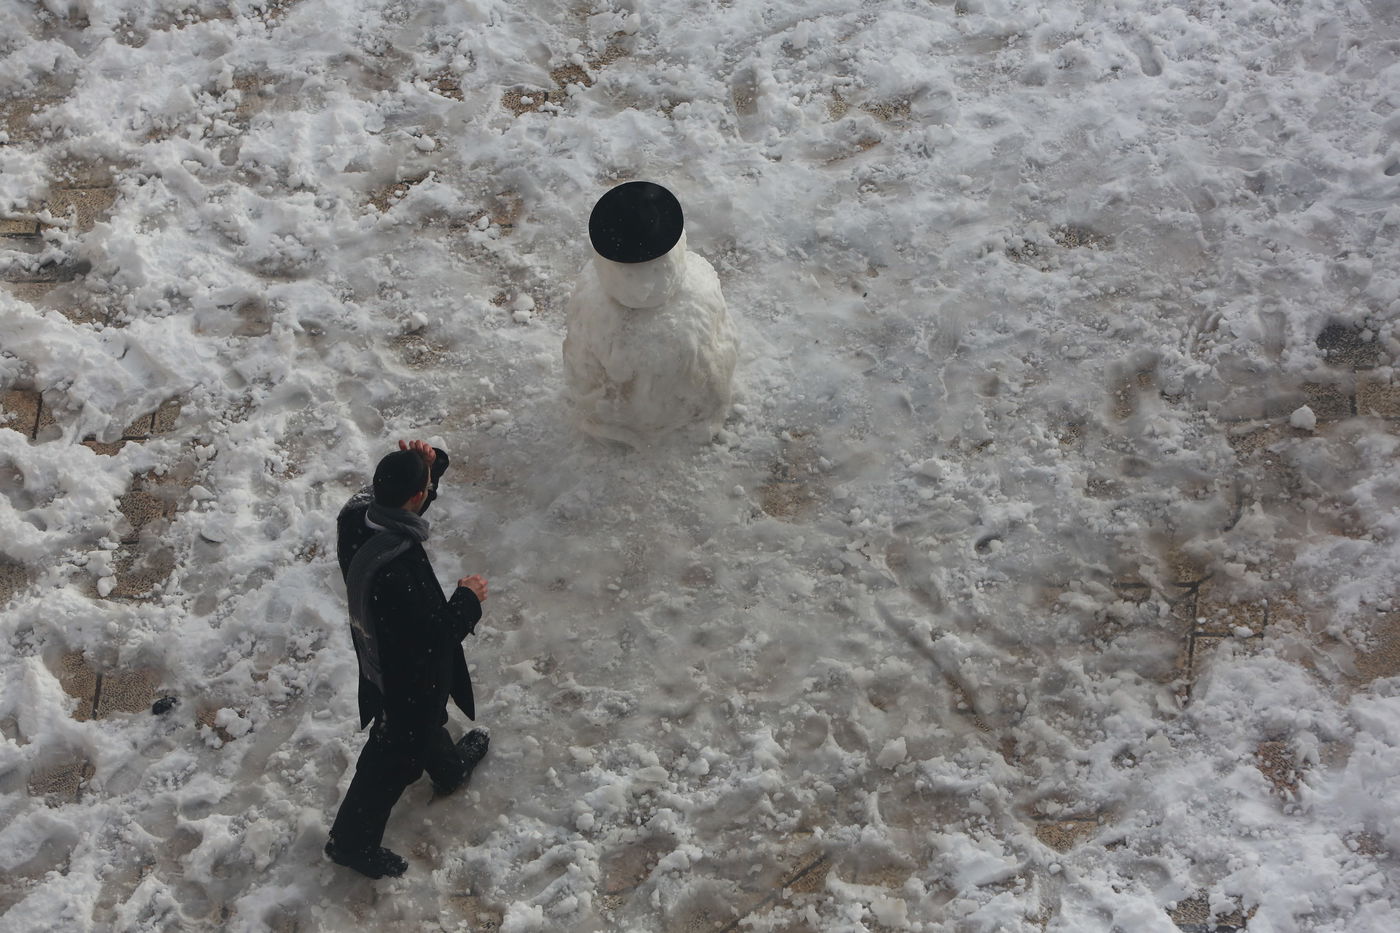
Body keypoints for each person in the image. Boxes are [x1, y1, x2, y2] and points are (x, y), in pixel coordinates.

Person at [324, 439, 490, 879]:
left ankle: (449, 771)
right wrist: (468, 599)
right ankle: (351, 844)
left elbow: (408, 499)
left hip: (381, 654)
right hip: (407, 678)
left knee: (420, 727)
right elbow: (438, 634)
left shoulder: (359, 517)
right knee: (391, 758)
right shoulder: (396, 568)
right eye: (426, 486)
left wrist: (431, 462)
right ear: (415, 497)